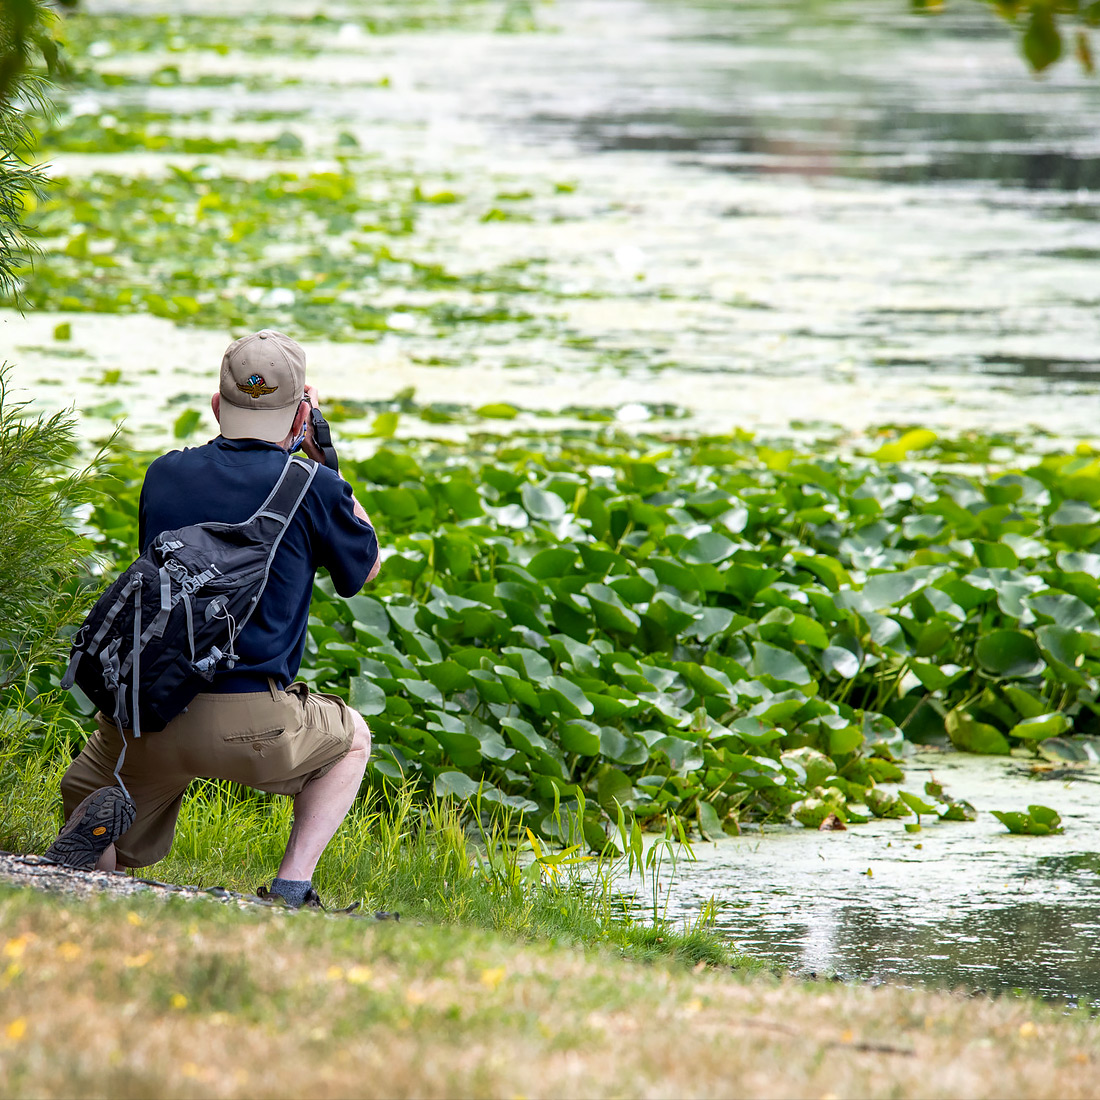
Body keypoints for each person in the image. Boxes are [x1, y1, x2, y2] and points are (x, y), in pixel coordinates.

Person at [45, 330, 380, 908]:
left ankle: (98, 880)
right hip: (258, 728)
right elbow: (364, 569)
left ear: (216, 405)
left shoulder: (165, 473)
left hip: (152, 713)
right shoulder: (313, 484)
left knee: (96, 808)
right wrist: (325, 458)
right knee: (353, 740)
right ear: (303, 412)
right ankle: (291, 885)